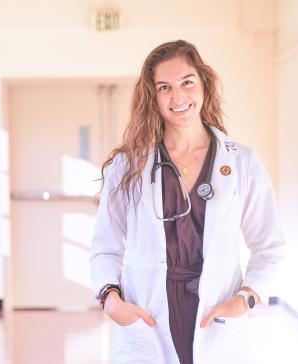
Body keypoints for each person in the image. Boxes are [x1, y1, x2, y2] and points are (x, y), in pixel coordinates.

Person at [89, 40, 286, 364]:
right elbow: (105, 247)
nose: (177, 97)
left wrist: (246, 299)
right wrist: (111, 301)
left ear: (204, 85)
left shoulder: (242, 163)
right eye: (164, 87)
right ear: (152, 97)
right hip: (148, 317)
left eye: (187, 82)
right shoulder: (128, 165)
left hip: (217, 315)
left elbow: (270, 247)